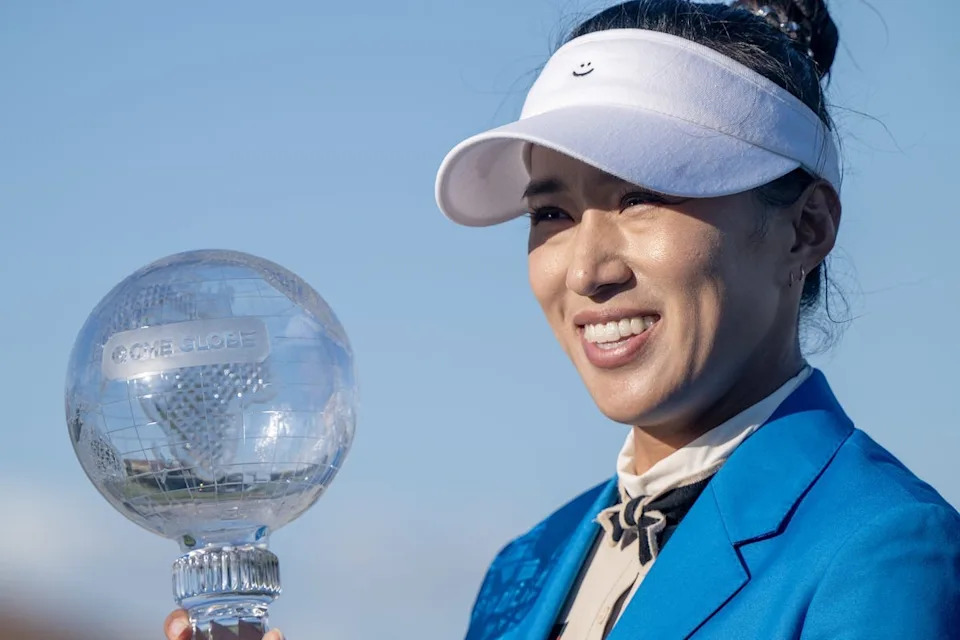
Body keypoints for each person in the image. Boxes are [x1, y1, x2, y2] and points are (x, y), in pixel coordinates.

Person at [165, 1, 960, 638]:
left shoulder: (885, 551)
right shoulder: (527, 565)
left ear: (805, 228)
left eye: (642, 195)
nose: (587, 269)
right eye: (551, 210)